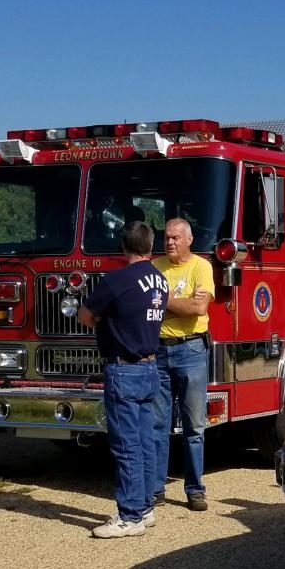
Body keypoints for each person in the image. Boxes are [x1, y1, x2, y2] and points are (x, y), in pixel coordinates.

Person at [77, 221, 169, 538]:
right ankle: (145, 507)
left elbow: (85, 316)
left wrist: (107, 324)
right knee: (145, 443)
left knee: (126, 446)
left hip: (123, 368)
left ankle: (129, 517)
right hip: (150, 367)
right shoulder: (160, 280)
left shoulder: (116, 280)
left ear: (123, 247)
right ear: (150, 245)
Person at [152, 217, 215, 512]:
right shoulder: (155, 267)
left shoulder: (202, 267)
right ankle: (155, 489)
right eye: (166, 237)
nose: (170, 242)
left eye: (176, 237)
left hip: (191, 350)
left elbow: (199, 308)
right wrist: (180, 303)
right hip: (159, 351)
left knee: (194, 427)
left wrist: (165, 301)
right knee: (158, 425)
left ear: (189, 239)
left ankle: (195, 489)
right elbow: (147, 309)